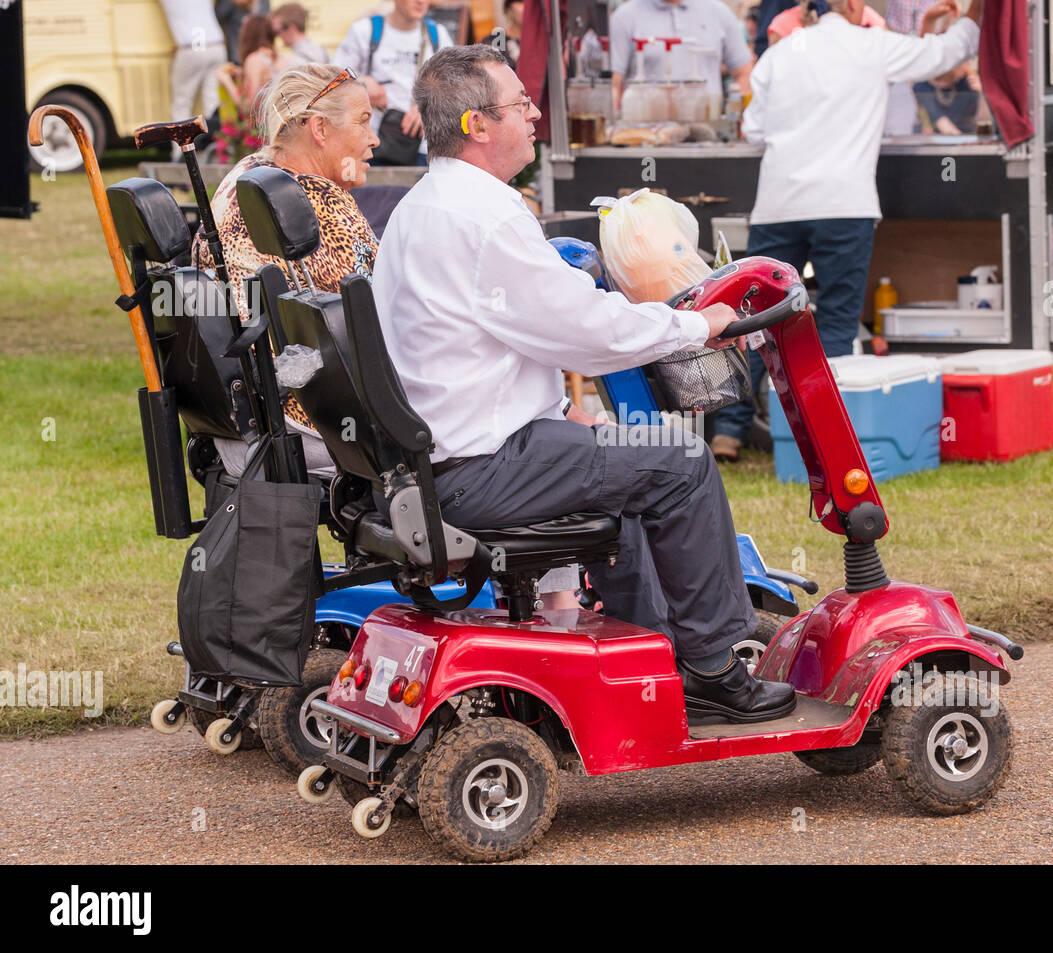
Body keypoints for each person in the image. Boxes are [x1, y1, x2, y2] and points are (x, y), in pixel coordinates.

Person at [372, 45, 796, 722]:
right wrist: (698, 326)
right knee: (682, 459)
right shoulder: (483, 215)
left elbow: (519, 332)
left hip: (447, 453)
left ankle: (650, 662)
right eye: (520, 104)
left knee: (627, 466)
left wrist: (567, 405)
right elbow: (584, 330)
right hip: (477, 466)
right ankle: (716, 665)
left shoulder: (426, 205)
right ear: (479, 126)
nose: (535, 114)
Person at [711, 0, 980, 462]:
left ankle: (729, 433)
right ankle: (821, 438)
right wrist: (977, 11)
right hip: (844, 203)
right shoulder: (871, 45)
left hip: (779, 202)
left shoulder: (781, 53)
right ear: (855, 4)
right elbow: (945, 54)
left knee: (754, 324)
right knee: (834, 323)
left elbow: (753, 128)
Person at [192, 65, 381, 482]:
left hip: (243, 417)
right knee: (471, 432)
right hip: (305, 421)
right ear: (319, 128)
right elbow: (383, 312)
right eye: (364, 122)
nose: (375, 139)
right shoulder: (318, 199)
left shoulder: (246, 175)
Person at [333, 0, 456, 163]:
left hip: (423, 148)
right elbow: (334, 80)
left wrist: (429, 106)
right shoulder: (365, 30)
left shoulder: (438, 35)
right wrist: (361, 84)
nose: (421, 2)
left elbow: (455, 89)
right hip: (372, 144)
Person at [609, 0, 754, 114]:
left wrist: (736, 115)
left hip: (709, 132)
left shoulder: (719, 12)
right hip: (647, 134)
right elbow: (613, 85)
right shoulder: (625, 16)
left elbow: (744, 73)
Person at [159, 0, 227, 158]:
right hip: (216, 45)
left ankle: (181, 155)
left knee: (181, 105)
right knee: (213, 104)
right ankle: (218, 150)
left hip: (191, 47)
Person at [238, 14, 301, 113]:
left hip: (267, 122)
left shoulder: (254, 60)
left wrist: (226, 81)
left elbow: (249, 107)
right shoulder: (282, 57)